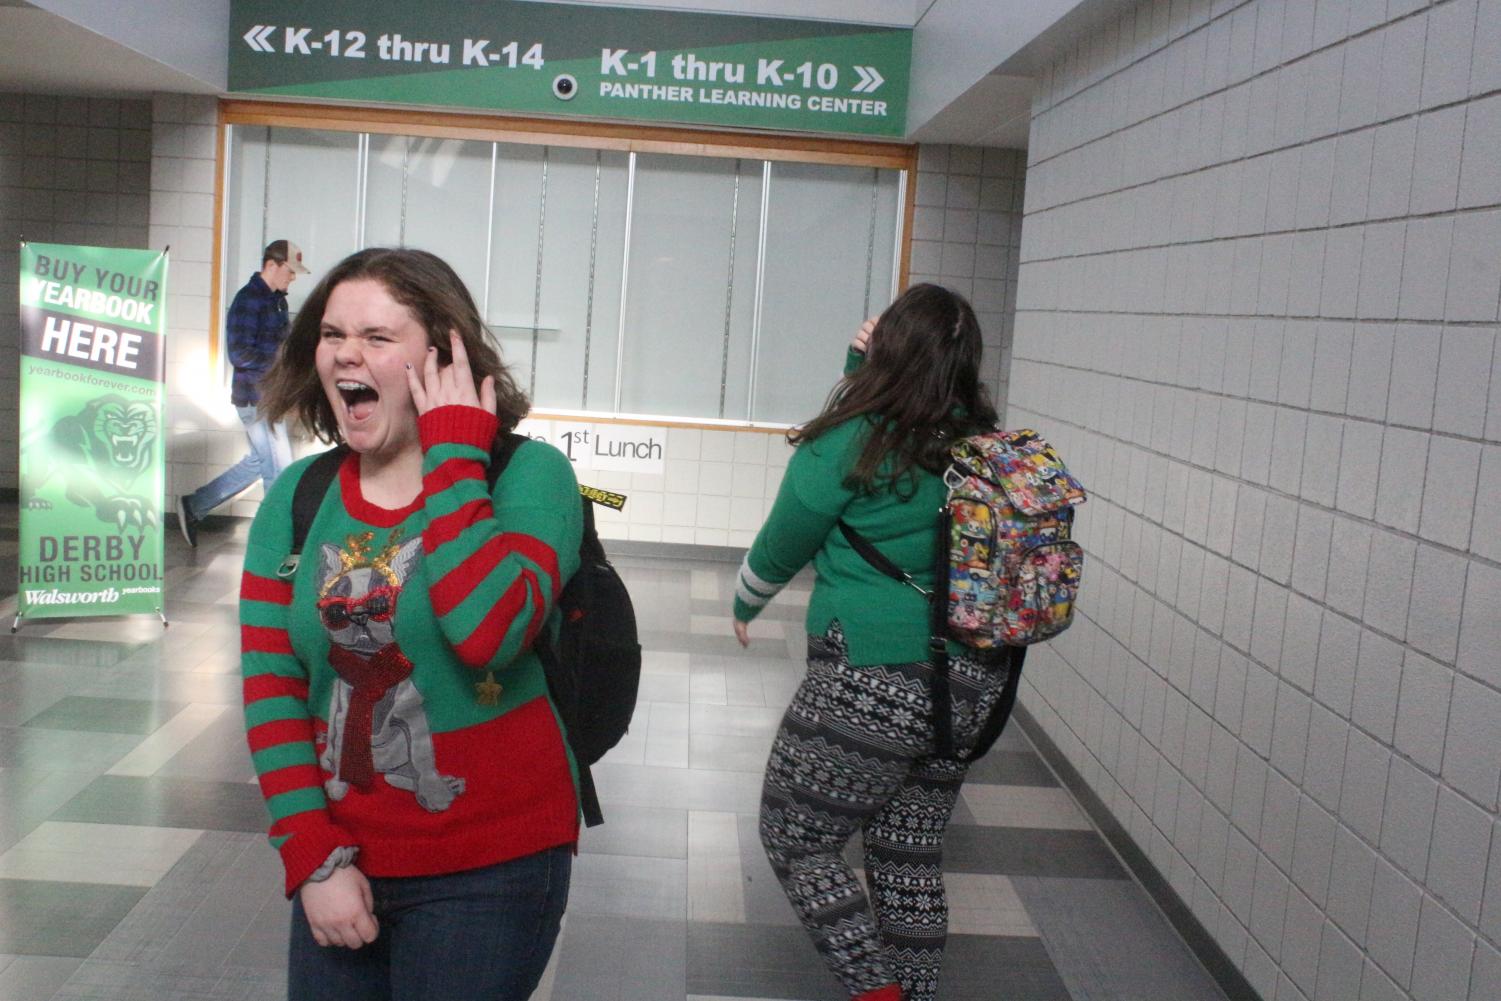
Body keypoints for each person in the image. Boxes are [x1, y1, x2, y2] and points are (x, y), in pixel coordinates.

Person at [241, 247, 583, 1000]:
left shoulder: (529, 477)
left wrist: (455, 455)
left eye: (376, 336)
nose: (345, 355)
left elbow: (489, 632)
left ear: (443, 357)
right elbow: (272, 686)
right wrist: (313, 856)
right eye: (332, 335)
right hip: (342, 859)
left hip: (495, 869)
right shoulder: (298, 494)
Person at [732, 284, 1008, 1001]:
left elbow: (786, 535)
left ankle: (875, 991)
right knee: (907, 855)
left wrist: (745, 600)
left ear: (888, 352)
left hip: (872, 680)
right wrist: (865, 363)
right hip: (968, 681)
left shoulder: (852, 438)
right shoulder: (978, 446)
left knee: (796, 837)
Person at [177, 239, 307, 547]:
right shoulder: (248, 300)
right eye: (290, 271)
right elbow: (239, 354)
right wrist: (277, 370)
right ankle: (276, 542)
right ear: (271, 265)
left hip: (271, 396)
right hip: (255, 398)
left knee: (259, 462)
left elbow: (281, 348)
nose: (293, 278)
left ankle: (194, 506)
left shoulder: (278, 301)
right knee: (279, 468)